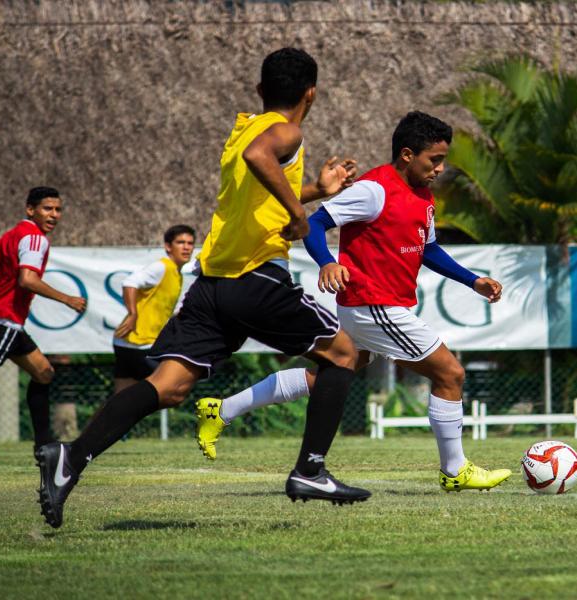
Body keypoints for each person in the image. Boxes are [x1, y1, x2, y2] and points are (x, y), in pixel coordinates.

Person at [35, 47, 369, 529]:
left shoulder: (244, 129)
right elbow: (264, 161)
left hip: (212, 284)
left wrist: (315, 191)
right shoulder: (286, 131)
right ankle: (310, 471)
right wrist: (302, 216)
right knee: (342, 355)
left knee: (168, 387)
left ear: (259, 90)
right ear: (311, 92)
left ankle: (70, 457)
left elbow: (253, 191)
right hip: (254, 277)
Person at [196, 112, 512, 492]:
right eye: (434, 160)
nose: (440, 169)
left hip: (379, 305)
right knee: (450, 374)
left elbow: (428, 249)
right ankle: (455, 470)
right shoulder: (374, 189)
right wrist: (328, 262)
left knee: (328, 374)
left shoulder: (423, 196)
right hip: (372, 304)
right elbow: (314, 223)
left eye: (443, 160)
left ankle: (222, 409)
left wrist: (472, 280)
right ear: (408, 154)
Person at [0, 187, 87, 453]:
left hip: (8, 323)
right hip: (3, 322)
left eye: (58, 209)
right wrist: (68, 299)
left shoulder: (16, 234)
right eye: (47, 208)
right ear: (30, 210)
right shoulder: (34, 238)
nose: (54, 215)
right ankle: (45, 444)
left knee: (44, 373)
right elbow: (27, 279)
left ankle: (44, 445)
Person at [111, 225, 195, 393]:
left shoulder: (176, 274)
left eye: (190, 243)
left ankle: (102, 420)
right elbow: (130, 283)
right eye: (180, 242)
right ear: (168, 246)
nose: (186, 247)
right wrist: (133, 313)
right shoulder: (161, 267)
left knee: (120, 399)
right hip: (139, 344)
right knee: (173, 389)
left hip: (127, 343)